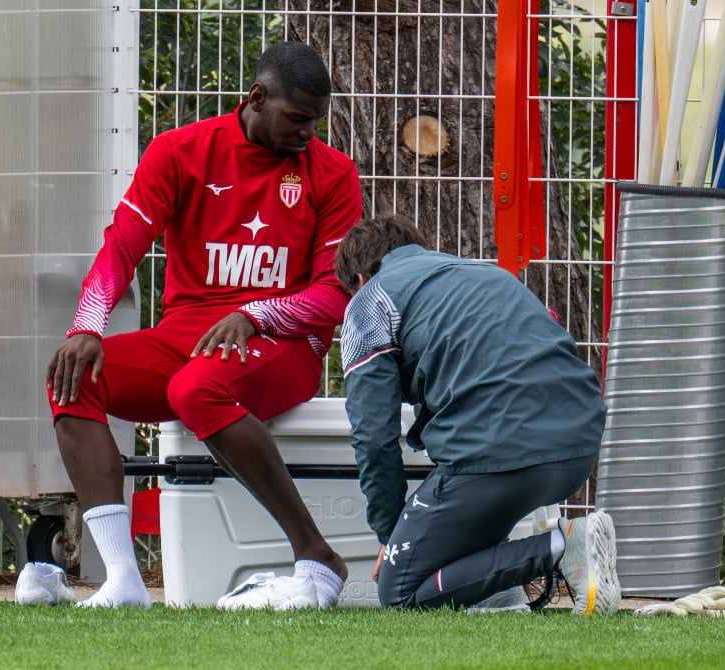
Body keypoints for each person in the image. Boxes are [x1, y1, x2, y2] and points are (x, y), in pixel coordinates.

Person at [44, 41, 362, 609]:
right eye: (296, 118)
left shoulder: (333, 173)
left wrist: (257, 314)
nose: (309, 133)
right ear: (257, 97)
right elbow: (123, 245)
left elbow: (333, 296)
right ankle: (122, 581)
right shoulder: (180, 151)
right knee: (72, 376)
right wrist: (88, 324)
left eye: (316, 120)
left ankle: (317, 557)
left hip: (283, 343)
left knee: (196, 387)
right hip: (186, 335)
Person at [334, 215, 619, 614]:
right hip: (579, 448)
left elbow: (373, 437)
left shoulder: (369, 303)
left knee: (400, 592)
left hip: (496, 453)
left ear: (359, 280)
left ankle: (562, 547)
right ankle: (497, 596)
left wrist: (391, 533)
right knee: (457, 524)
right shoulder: (485, 274)